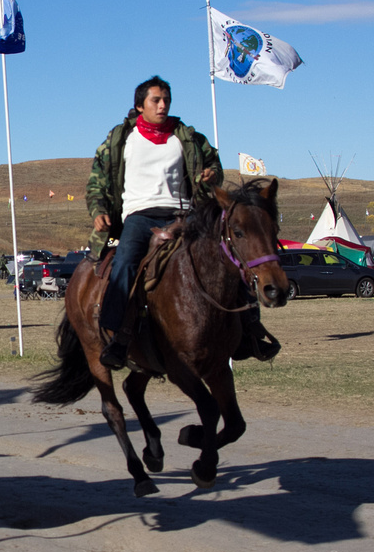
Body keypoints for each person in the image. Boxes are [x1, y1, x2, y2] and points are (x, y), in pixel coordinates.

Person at [86, 75, 278, 370]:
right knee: (124, 263)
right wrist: (99, 210)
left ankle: (249, 331)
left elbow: (214, 163)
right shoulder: (119, 140)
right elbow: (97, 180)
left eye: (166, 100)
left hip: (186, 214)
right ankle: (117, 337)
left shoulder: (186, 137)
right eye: (156, 100)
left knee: (228, 259)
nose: (163, 106)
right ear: (140, 106)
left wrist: (211, 175)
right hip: (139, 215)